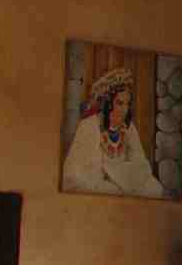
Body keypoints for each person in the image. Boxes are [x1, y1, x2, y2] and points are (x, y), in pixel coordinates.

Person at [62, 66, 166, 197]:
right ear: (108, 103)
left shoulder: (128, 127)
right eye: (120, 103)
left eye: (128, 104)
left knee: (155, 188)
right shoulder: (89, 126)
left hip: (123, 181)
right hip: (98, 183)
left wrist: (123, 174)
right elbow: (77, 175)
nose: (125, 110)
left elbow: (140, 163)